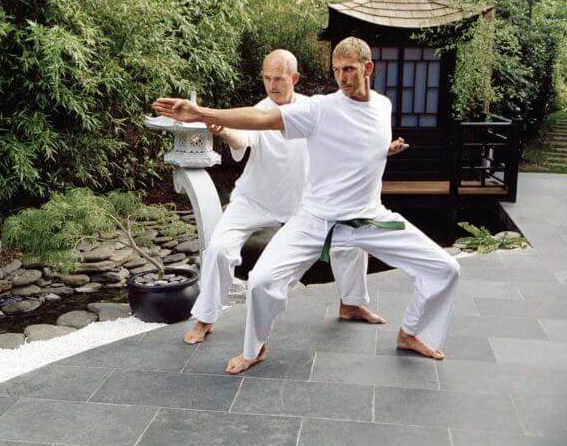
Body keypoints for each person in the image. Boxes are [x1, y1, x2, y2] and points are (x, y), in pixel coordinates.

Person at [154, 37, 460, 374]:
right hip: (317, 220)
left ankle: (410, 332)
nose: (342, 77)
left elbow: (359, 146)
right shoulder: (320, 109)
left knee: (446, 269)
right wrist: (200, 112)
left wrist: (384, 152)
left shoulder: (383, 106)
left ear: (368, 68)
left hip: (370, 219)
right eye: (336, 70)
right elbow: (259, 120)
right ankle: (254, 348)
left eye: (349, 69)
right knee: (260, 281)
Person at [185, 49, 402, 345]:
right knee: (220, 248)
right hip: (254, 200)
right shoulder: (260, 112)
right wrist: (224, 131)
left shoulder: (315, 109)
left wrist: (382, 149)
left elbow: (350, 139)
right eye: (267, 78)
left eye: (279, 78)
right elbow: (241, 140)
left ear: (295, 78)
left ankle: (351, 303)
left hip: (303, 204)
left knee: (351, 238)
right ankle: (206, 318)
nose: (272, 85)